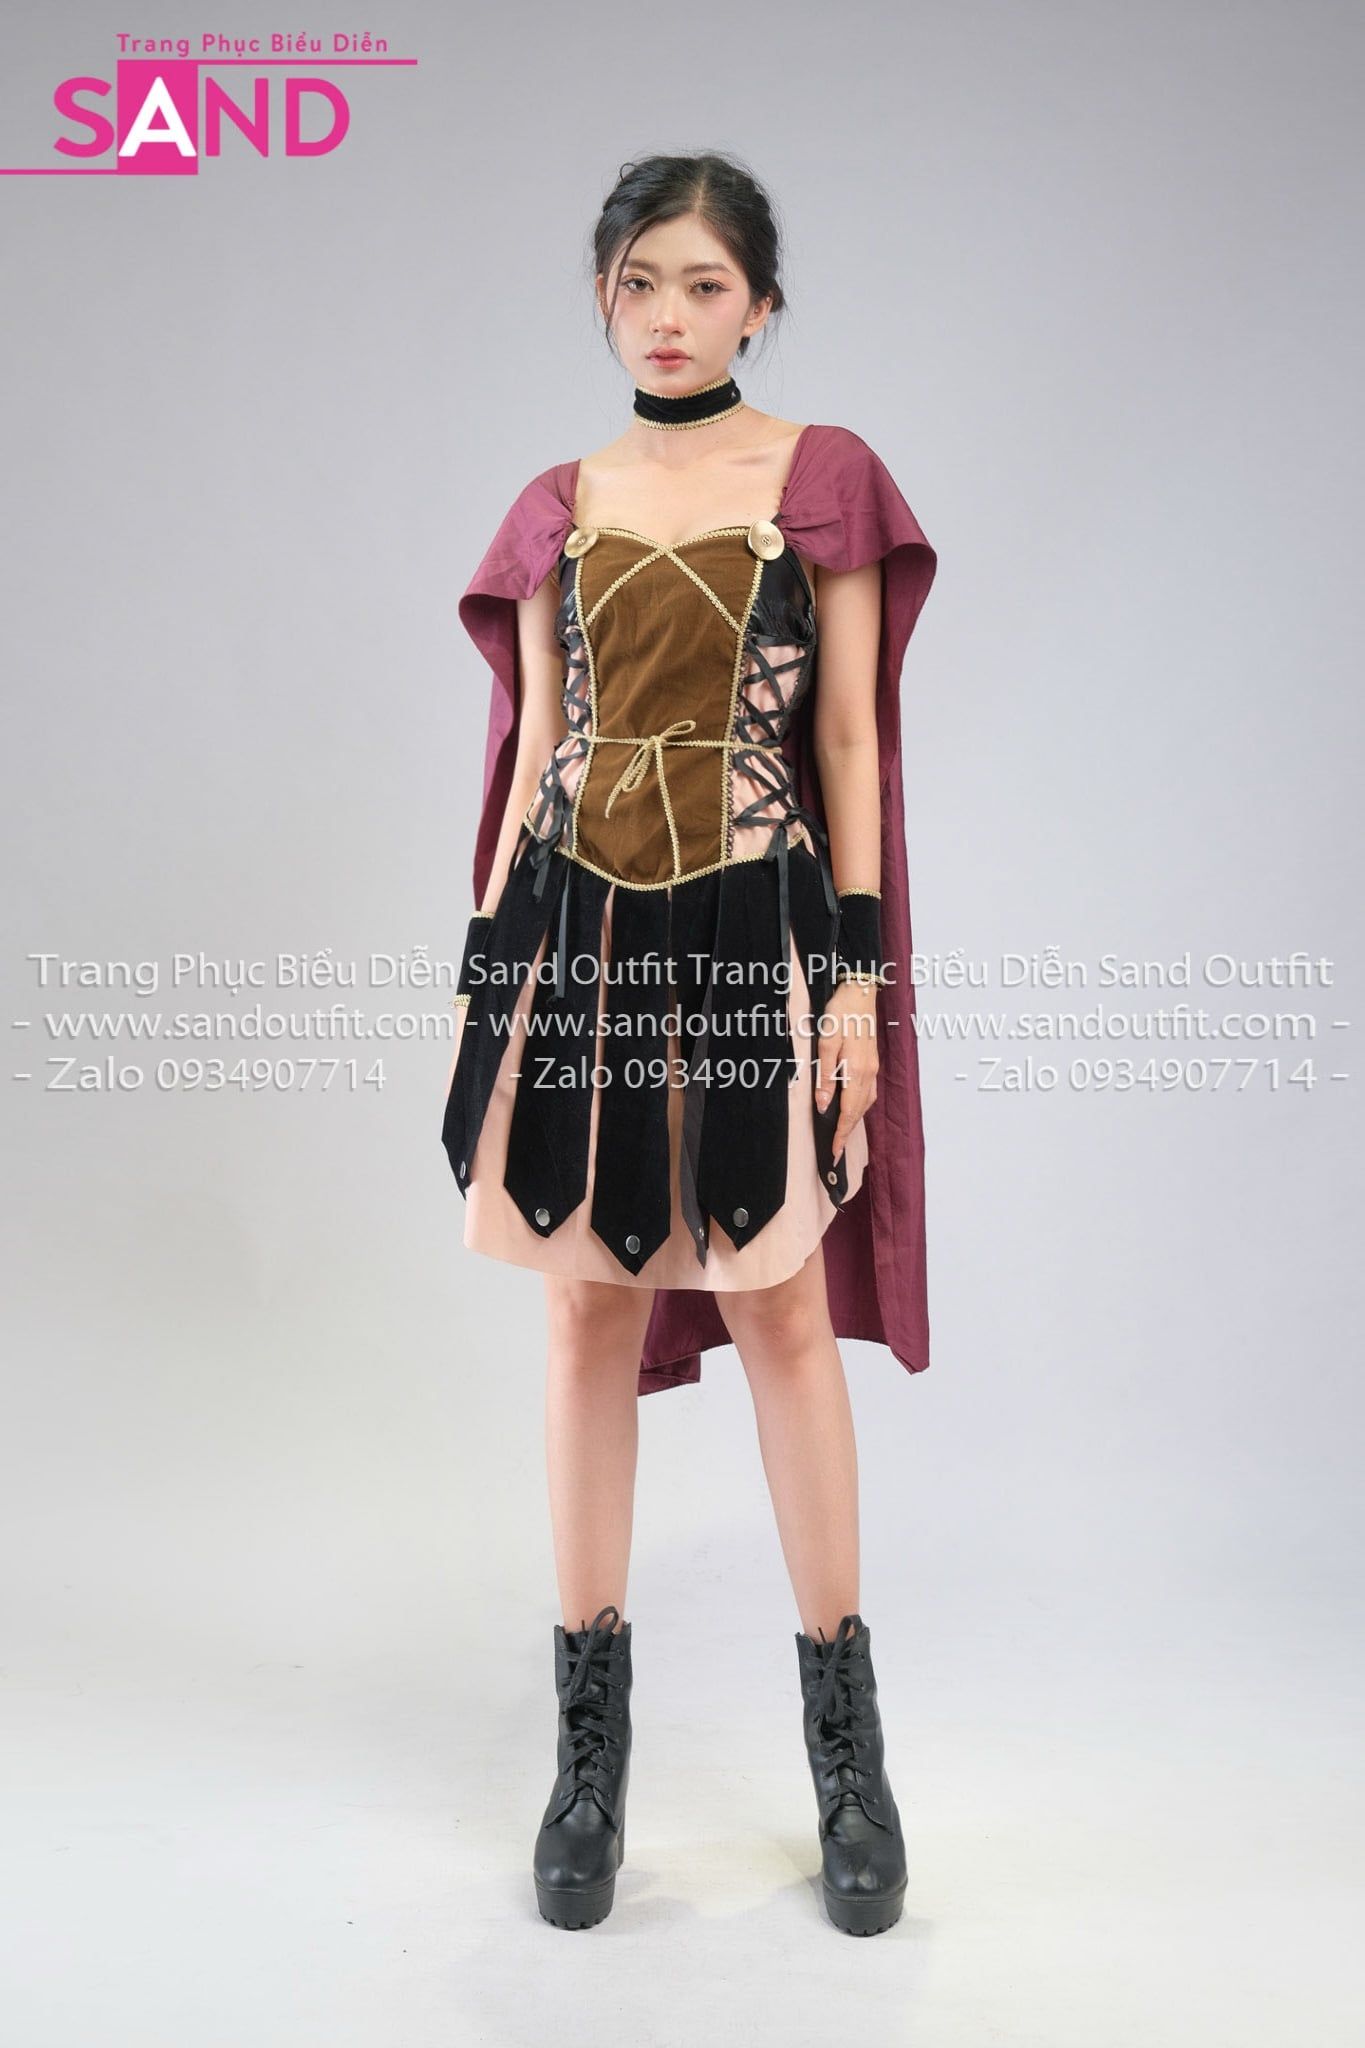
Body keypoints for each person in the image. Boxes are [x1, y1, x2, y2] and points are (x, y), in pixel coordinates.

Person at [441, 151, 938, 1935]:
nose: (667, 315)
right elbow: (537, 750)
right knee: (583, 1307)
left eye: (704, 285)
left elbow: (849, 746)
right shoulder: (557, 503)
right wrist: (484, 969)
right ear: (602, 296)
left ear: (760, 304)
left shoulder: (822, 482)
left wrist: (856, 984)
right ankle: (588, 1760)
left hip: (756, 927)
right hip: (569, 931)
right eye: (639, 281)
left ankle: (846, 1754)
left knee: (775, 1306)